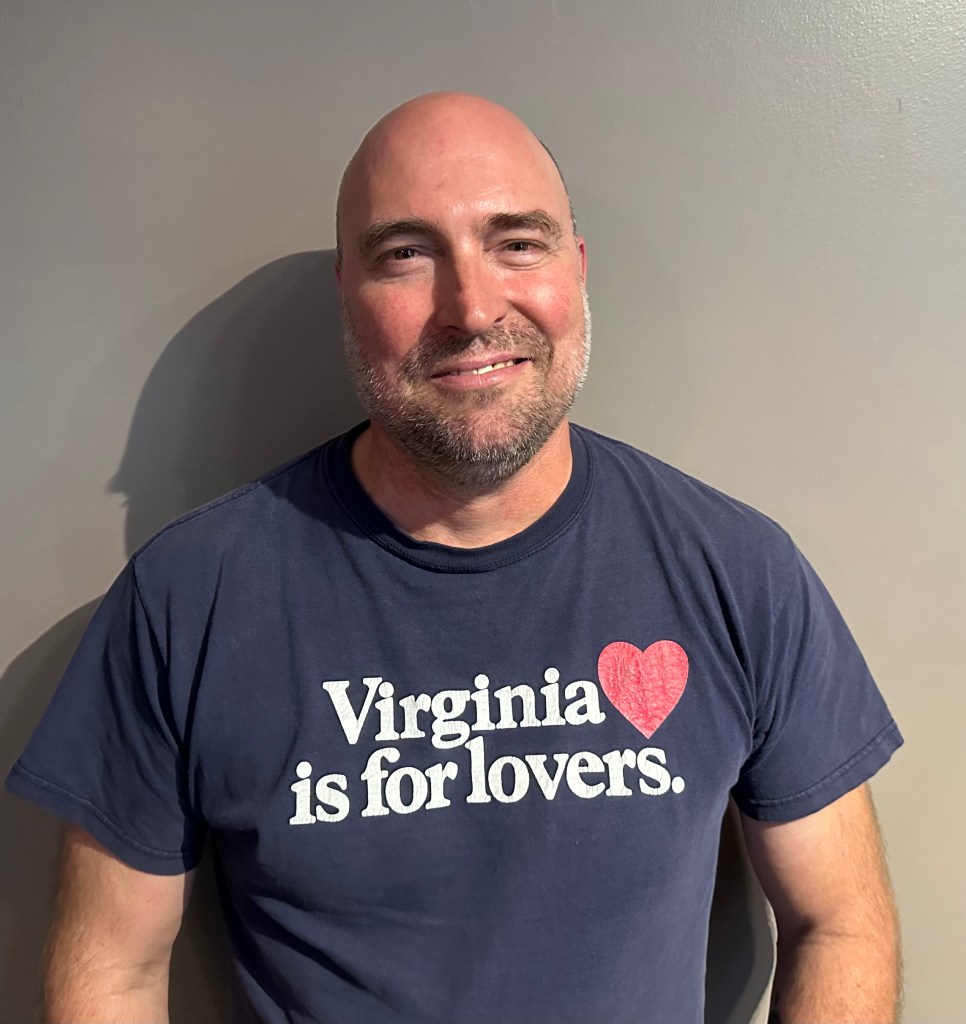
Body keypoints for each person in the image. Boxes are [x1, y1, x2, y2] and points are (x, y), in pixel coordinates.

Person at [7, 92, 902, 1024]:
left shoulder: (739, 572)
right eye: (406, 253)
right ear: (348, 293)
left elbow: (840, 924)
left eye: (517, 243)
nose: (471, 309)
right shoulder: (190, 596)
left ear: (577, 270)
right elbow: (112, 969)